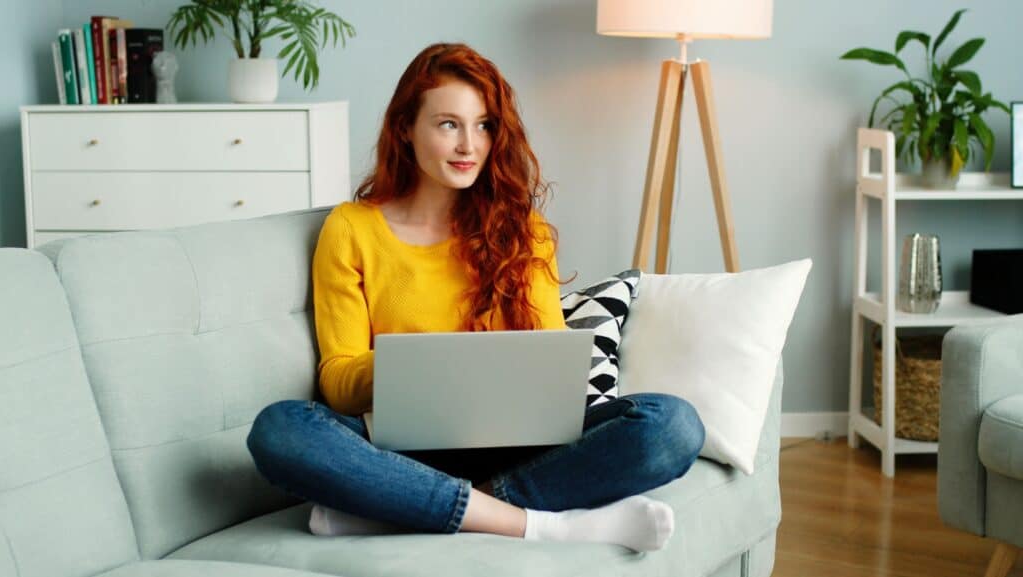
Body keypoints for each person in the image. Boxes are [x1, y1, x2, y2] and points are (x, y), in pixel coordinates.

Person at [247, 42, 705, 553]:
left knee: (673, 426)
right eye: (448, 125)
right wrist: (417, 364)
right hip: (399, 450)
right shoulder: (351, 229)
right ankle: (537, 523)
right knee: (280, 430)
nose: (469, 145)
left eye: (484, 125)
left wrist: (507, 368)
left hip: (518, 449)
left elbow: (554, 368)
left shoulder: (521, 230)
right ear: (406, 128)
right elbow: (338, 384)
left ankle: (419, 510)